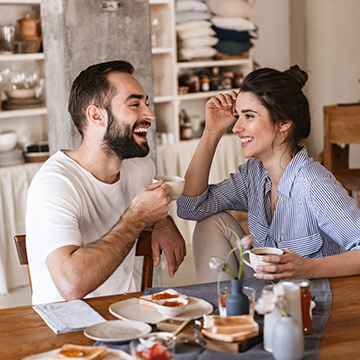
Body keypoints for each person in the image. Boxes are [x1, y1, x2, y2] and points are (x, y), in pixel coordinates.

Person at [177, 65, 360, 283]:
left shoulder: (314, 184)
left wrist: (308, 268)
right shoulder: (252, 176)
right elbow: (190, 208)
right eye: (238, 115)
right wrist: (212, 131)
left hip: (311, 305)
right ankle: (226, 316)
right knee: (210, 221)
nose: (236, 128)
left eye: (249, 116)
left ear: (283, 123)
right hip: (267, 296)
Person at [26, 60, 186, 304]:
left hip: (124, 316)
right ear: (96, 115)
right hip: (65, 327)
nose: (150, 115)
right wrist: (138, 218)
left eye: (146, 103)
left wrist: (163, 222)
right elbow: (71, 284)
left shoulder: (141, 168)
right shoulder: (55, 183)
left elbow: (150, 209)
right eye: (135, 104)